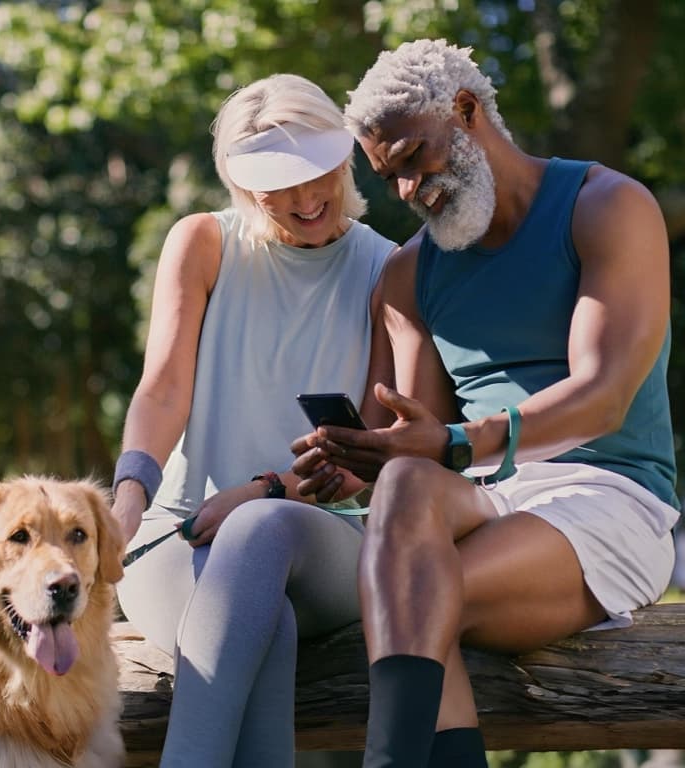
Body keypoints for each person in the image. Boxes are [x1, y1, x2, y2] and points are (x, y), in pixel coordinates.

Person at [291, 39, 680, 767]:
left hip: (608, 496)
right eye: (389, 176)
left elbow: (602, 400)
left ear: (465, 111)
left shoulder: (607, 206)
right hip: (484, 502)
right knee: (406, 496)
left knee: (418, 601)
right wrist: (360, 466)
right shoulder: (409, 277)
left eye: (413, 158)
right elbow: (419, 443)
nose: (407, 190)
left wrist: (456, 445)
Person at [110, 72, 396, 768]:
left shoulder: (392, 268)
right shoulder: (202, 242)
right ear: (243, 183)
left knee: (260, 532)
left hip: (324, 538)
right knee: (269, 626)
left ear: (344, 153)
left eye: (316, 171)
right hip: (180, 535)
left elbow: (369, 456)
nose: (306, 198)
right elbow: (162, 390)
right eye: (279, 181)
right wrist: (123, 508)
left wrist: (263, 491)